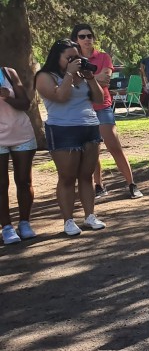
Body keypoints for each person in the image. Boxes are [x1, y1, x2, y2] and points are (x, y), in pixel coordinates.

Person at [34, 39, 106, 236]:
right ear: (56, 57)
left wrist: (90, 78)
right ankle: (68, 221)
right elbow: (60, 97)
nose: (75, 61)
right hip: (62, 130)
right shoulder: (44, 76)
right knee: (67, 177)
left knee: (87, 175)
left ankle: (90, 216)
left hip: (89, 127)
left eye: (77, 56)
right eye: (69, 57)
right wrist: (68, 74)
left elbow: (99, 99)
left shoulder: (81, 75)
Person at [70, 24, 144, 200]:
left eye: (89, 35)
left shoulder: (103, 57)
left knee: (114, 146)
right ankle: (99, 185)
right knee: (91, 150)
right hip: (83, 109)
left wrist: (83, 79)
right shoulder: (73, 61)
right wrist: (91, 79)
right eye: (82, 36)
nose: (87, 39)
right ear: (76, 40)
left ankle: (131, 184)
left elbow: (105, 81)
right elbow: (73, 82)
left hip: (102, 106)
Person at [0, 63, 37, 245]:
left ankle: (24, 223)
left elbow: (25, 104)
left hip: (21, 134)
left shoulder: (8, 73)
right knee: (1, 184)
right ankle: (7, 227)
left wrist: (7, 97)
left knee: (24, 181)